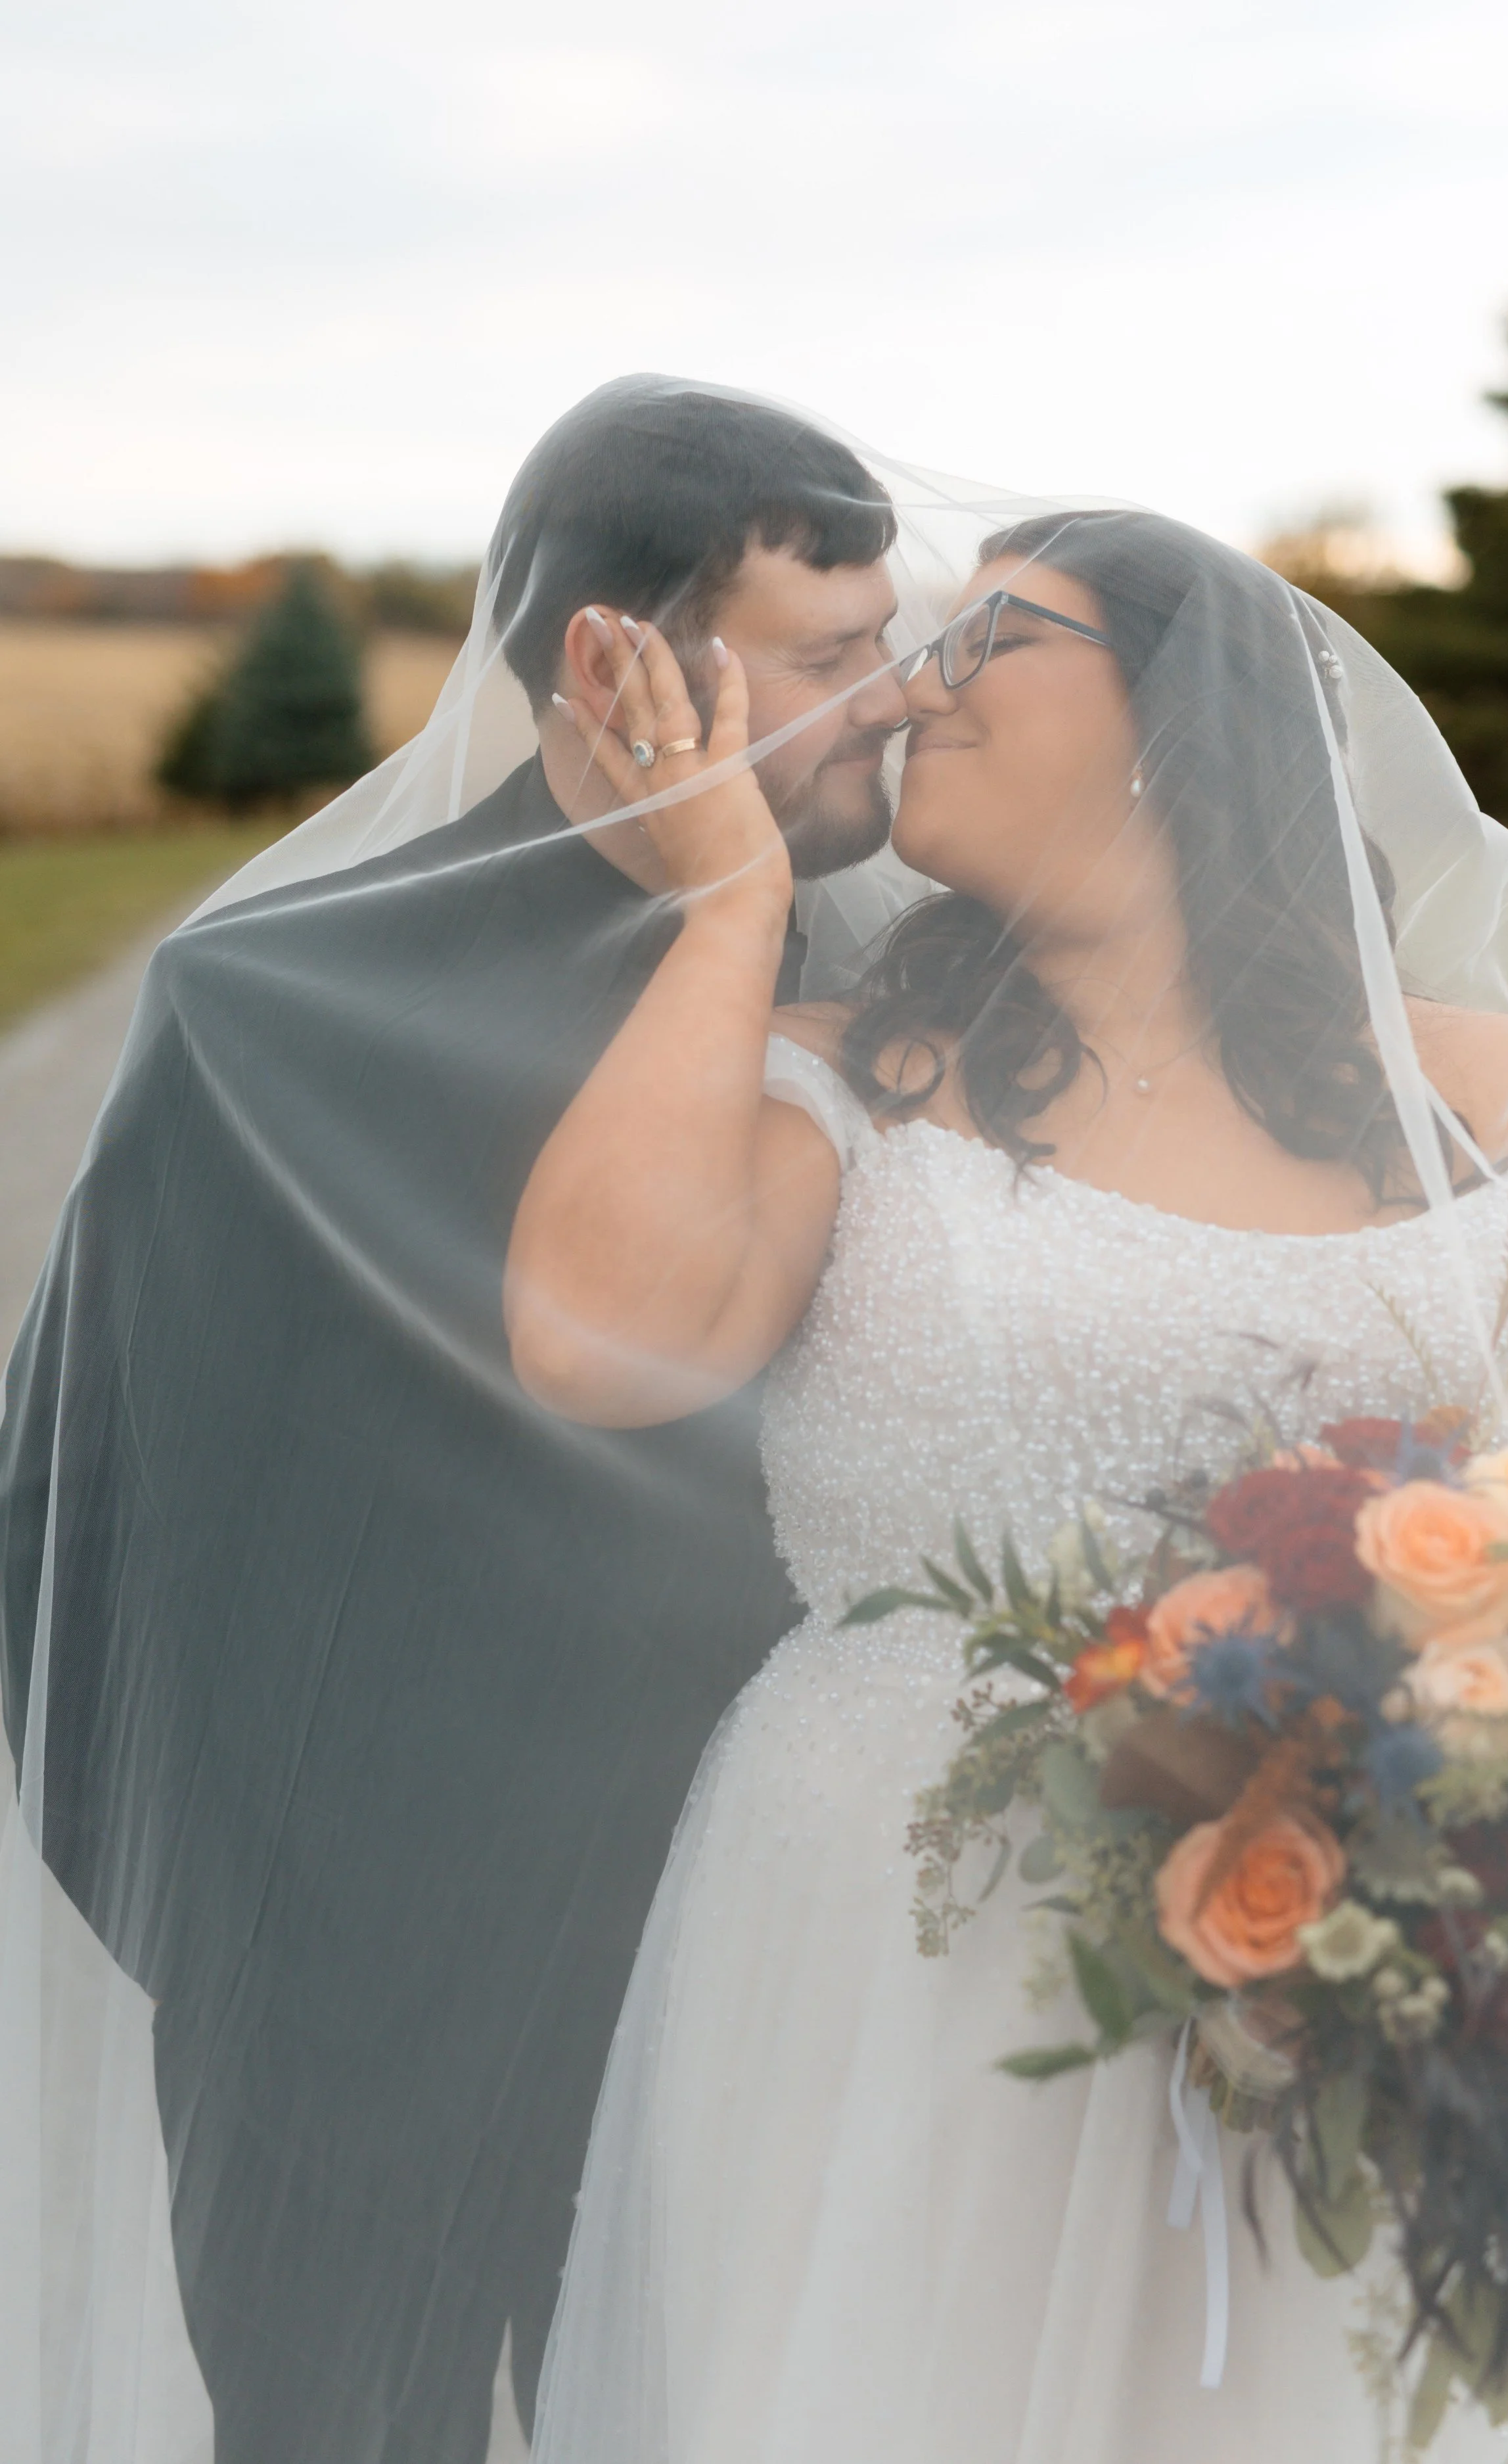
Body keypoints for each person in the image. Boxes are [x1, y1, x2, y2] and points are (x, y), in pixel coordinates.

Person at [507, 507, 1508, 2458]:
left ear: (1171, 720)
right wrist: (725, 902)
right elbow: (598, 1338)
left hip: (1366, 1975)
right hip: (907, 1945)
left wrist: (1481, 1789)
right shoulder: (845, 1067)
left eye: (989, 638)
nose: (912, 683)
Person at [0, 377, 907, 2464]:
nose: (896, 701)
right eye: (835, 654)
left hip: (773, 1957)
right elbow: (90, 1529)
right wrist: (266, 1976)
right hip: (354, 2026)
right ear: (616, 660)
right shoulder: (267, 1013)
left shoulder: (929, 1003)